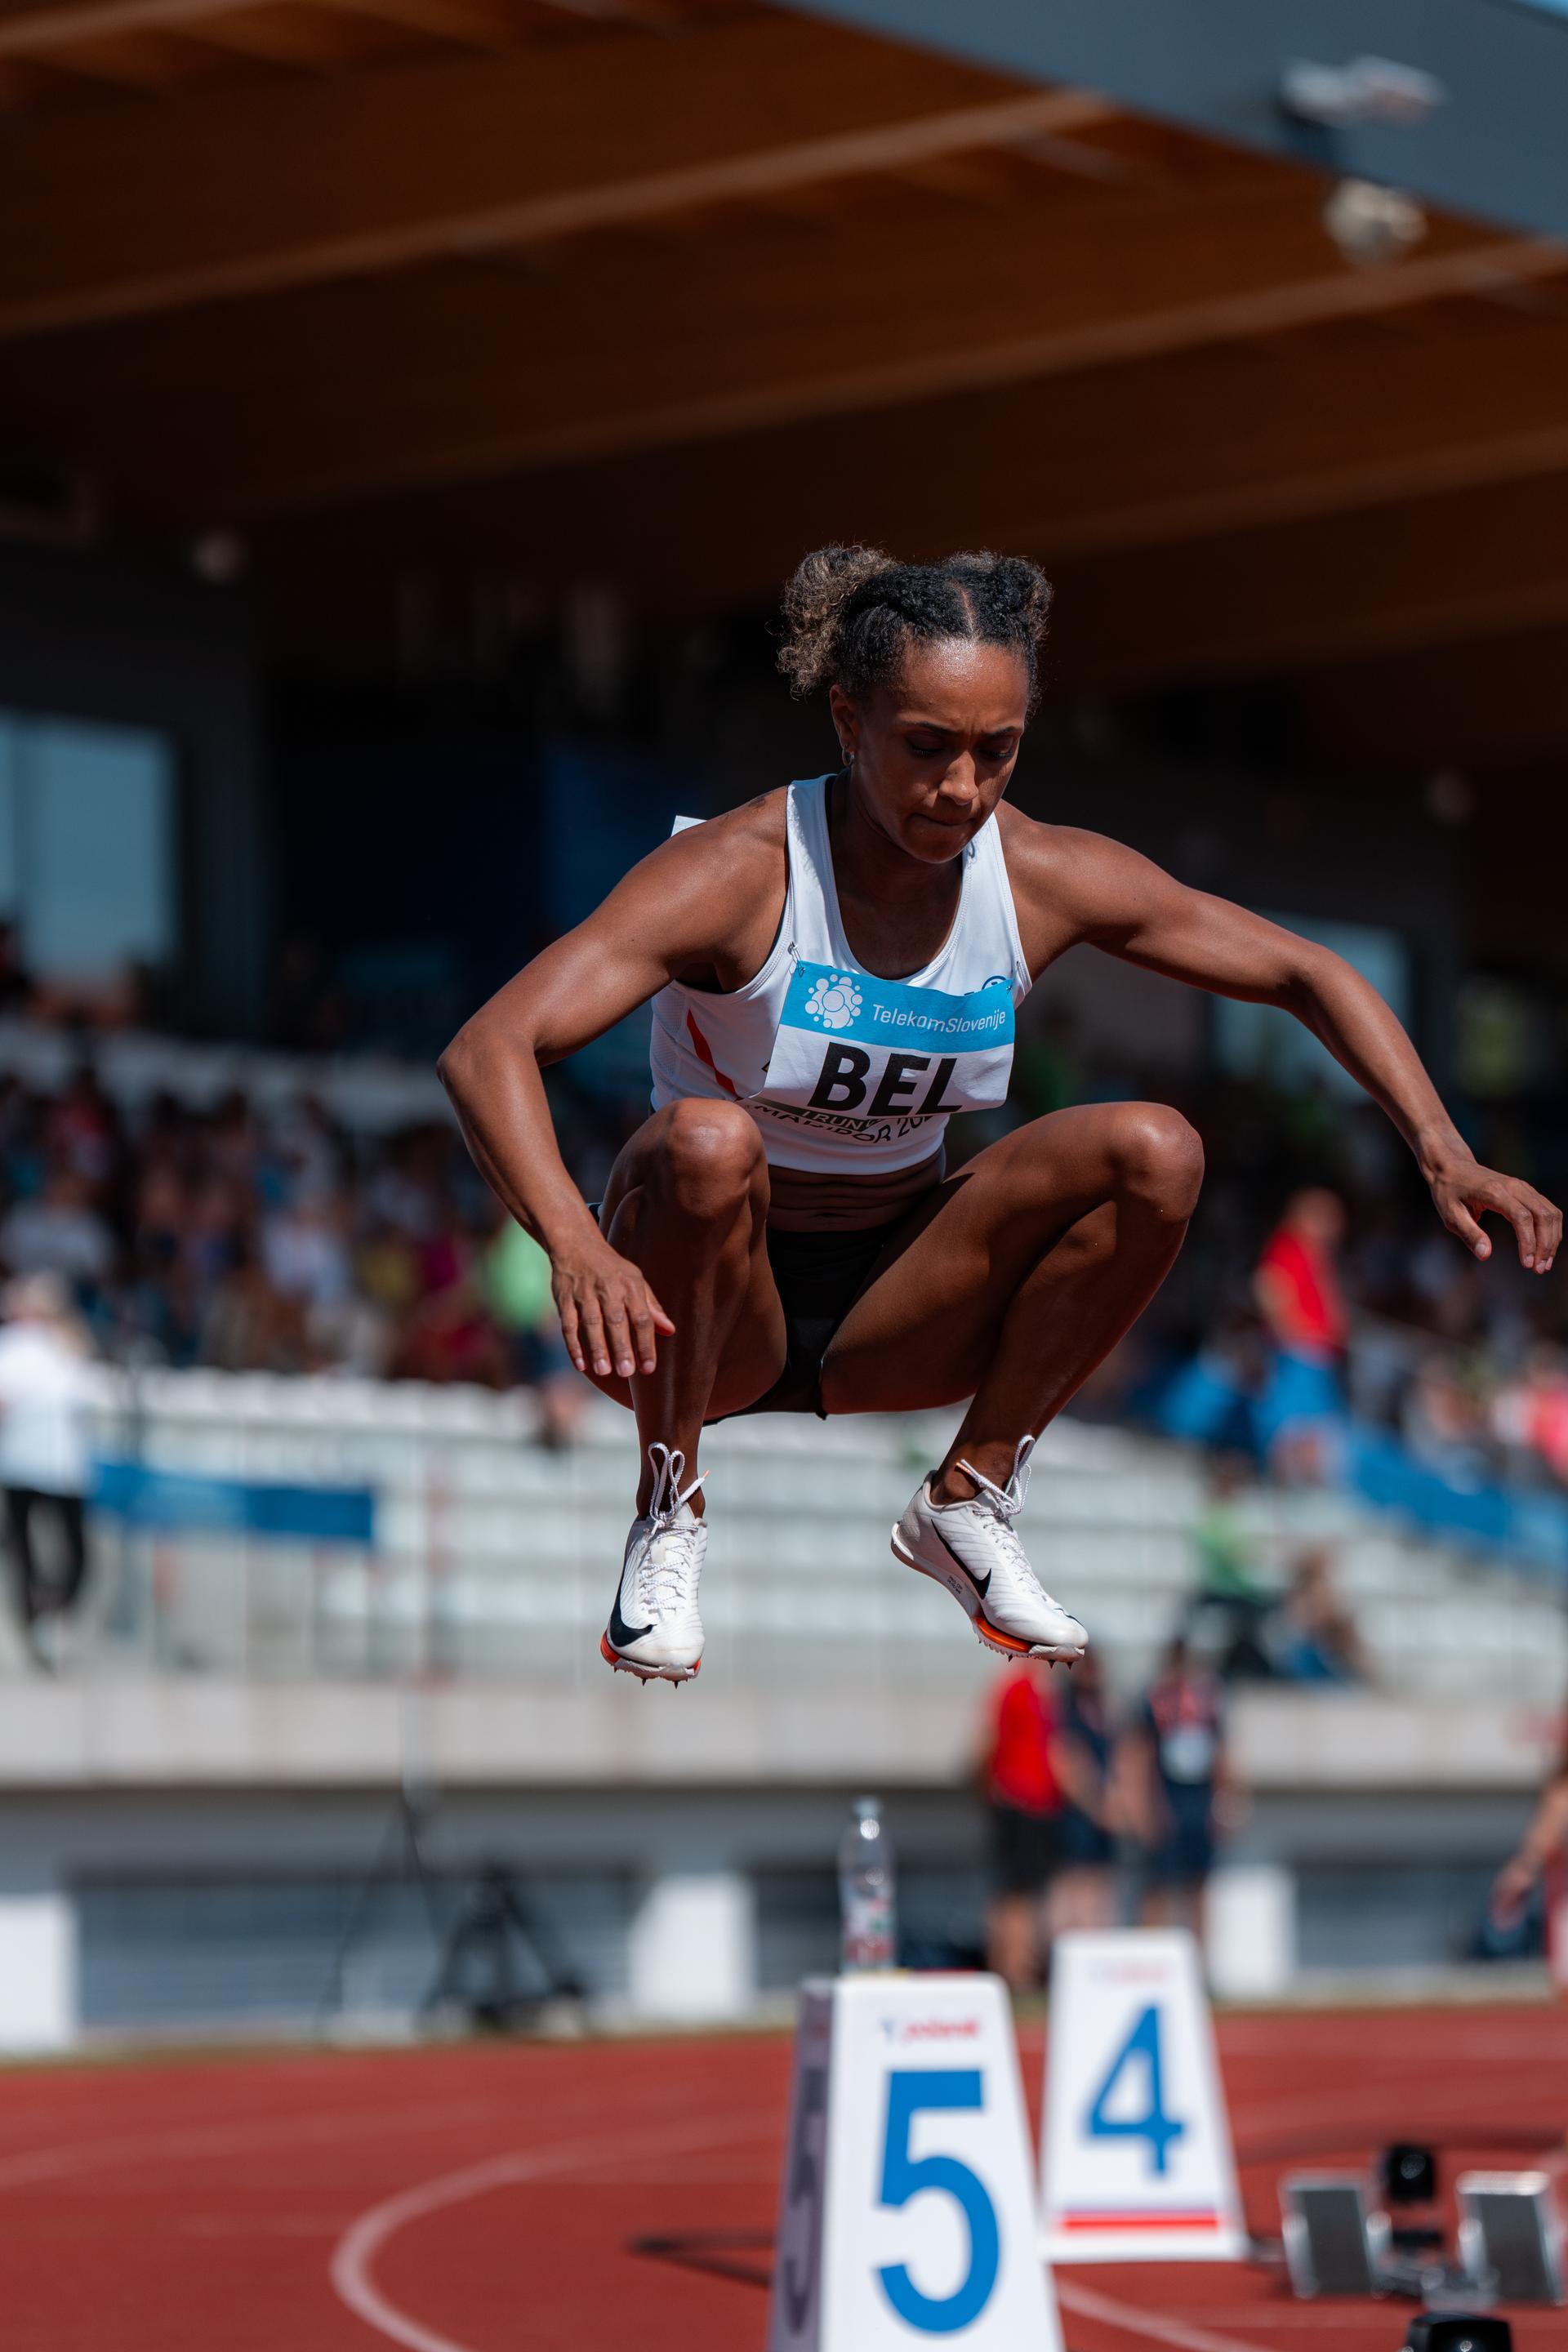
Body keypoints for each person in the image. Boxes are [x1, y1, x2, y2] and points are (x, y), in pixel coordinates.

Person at [437, 545, 1561, 1686]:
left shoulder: (1034, 875)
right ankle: (667, 1510)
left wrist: (1444, 1152)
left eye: (997, 751)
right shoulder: (738, 874)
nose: (962, 789)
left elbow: (1304, 971)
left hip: (898, 1314)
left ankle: (970, 1498)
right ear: (848, 719)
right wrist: (573, 1245)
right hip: (707, 1324)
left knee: (1158, 1150)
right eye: (927, 746)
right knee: (710, 1139)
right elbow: (490, 1046)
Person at [0, 1275, 96, 1668]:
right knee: (33, 1552)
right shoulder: (21, 1349)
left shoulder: (65, 1348)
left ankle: (43, 1611)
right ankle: (37, 1618)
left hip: (55, 1464)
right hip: (29, 1464)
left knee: (62, 1556)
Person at [1129, 1636, 1241, 1937]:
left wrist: (1227, 1800)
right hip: (1167, 1797)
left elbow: (1221, 1754)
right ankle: (1151, 1954)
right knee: (1160, 1885)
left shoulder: (1208, 1700)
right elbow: (1141, 1756)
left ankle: (1198, 1963)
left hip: (1199, 1798)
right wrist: (1143, 1807)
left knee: (1199, 1884)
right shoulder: (1154, 1700)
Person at [979, 1657, 1064, 1990]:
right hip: (1021, 1801)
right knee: (1016, 1893)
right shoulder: (1018, 1688)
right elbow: (989, 1741)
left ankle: (1016, 1966)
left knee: (1025, 1892)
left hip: (1037, 1804)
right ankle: (1012, 1969)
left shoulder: (1042, 1692)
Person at [1047, 1647, 1122, 1934]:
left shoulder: (1105, 1709)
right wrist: (1097, 1806)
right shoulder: (1066, 1708)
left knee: (1100, 1886)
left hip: (1102, 1815)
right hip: (1076, 1813)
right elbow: (1067, 1763)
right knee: (1073, 1886)